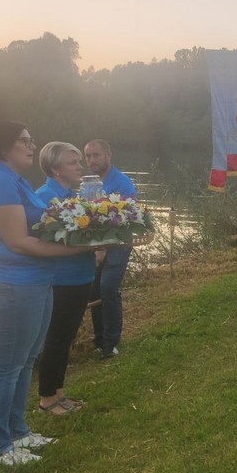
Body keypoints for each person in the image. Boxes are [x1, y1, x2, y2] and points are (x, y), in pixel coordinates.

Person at [0, 121, 93, 466]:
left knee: (24, 362)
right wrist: (80, 250)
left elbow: (43, 229)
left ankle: (18, 433)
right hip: (12, 284)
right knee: (5, 367)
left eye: (31, 140)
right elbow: (19, 242)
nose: (31, 146)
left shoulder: (16, 180)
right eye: (24, 141)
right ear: (3, 146)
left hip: (36, 280)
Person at [35, 142, 99, 416]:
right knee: (56, 338)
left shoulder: (73, 194)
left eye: (78, 161)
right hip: (62, 279)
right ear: (55, 168)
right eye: (73, 162)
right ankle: (47, 398)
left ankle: (59, 393)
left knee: (67, 337)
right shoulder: (46, 197)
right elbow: (49, 240)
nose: (79, 166)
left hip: (81, 275)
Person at [84, 139, 137, 359]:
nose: (91, 160)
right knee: (94, 291)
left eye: (96, 155)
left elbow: (126, 219)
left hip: (118, 245)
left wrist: (104, 246)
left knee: (108, 289)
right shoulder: (89, 184)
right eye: (87, 156)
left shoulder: (122, 183)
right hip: (95, 247)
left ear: (108, 155)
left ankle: (111, 343)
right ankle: (99, 339)